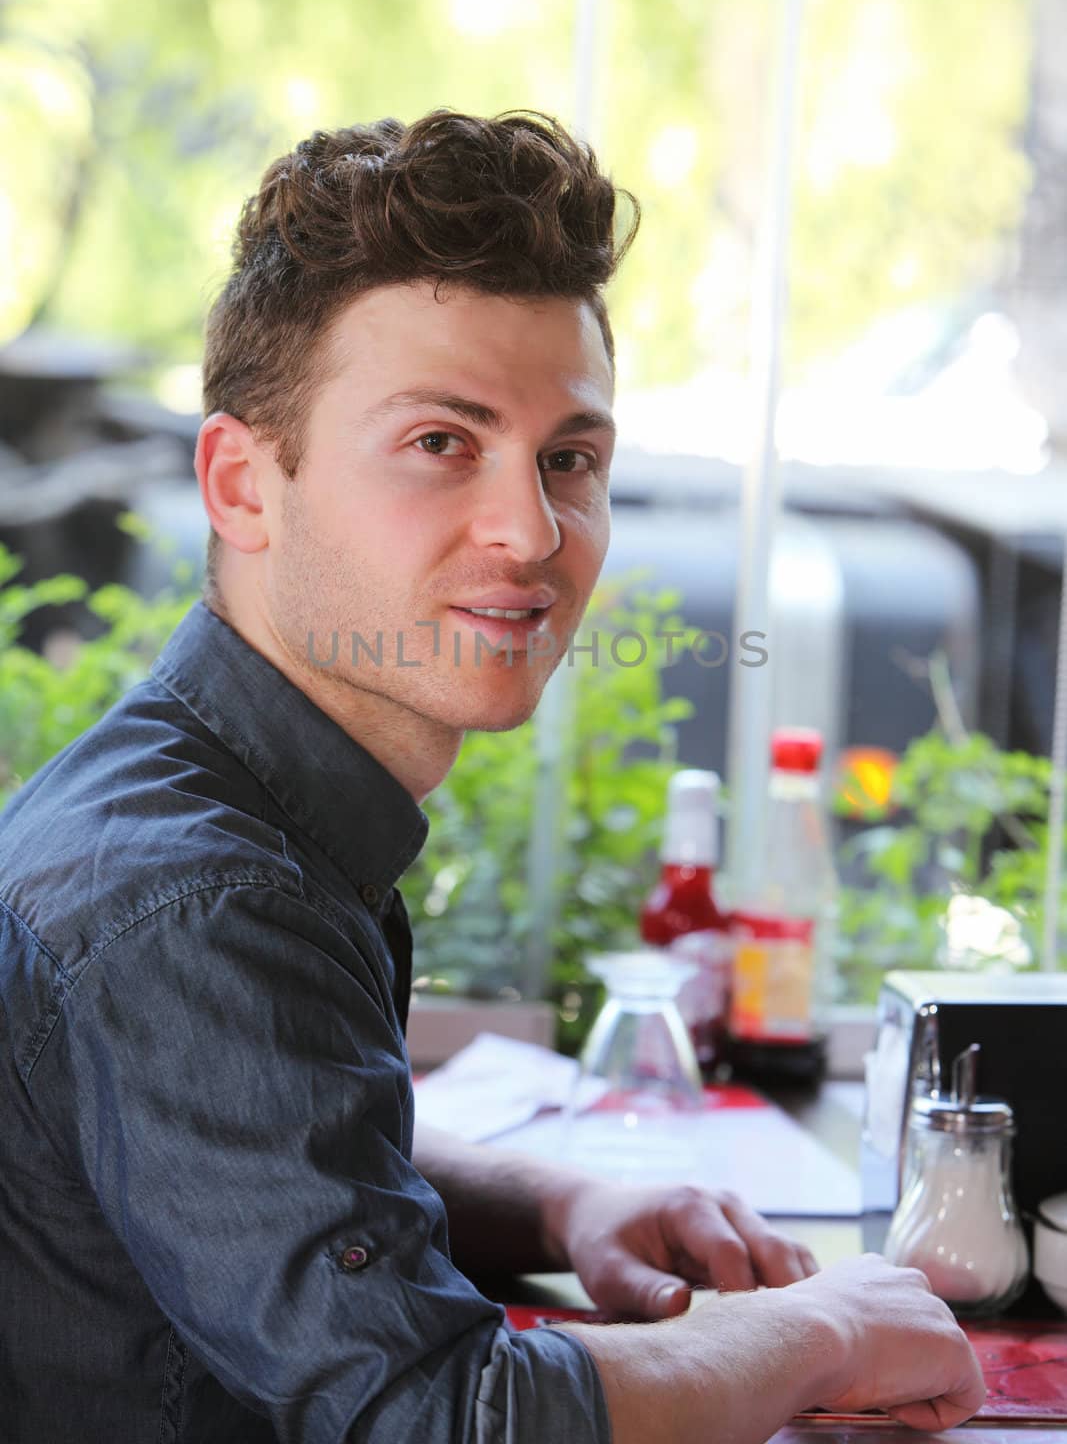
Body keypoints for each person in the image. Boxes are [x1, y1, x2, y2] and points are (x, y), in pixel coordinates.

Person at [0, 110, 984, 1444]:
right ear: (242, 484)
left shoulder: (213, 807)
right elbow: (440, 1419)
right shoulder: (201, 897)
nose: (530, 533)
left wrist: (552, 1204)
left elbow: (253, 1156)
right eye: (440, 444)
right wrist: (815, 1329)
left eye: (569, 459)